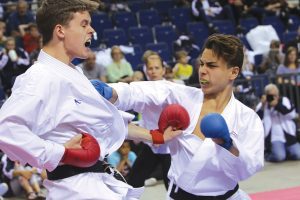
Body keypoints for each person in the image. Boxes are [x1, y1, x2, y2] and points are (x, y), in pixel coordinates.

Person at [0, 0, 182, 199]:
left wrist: (156, 136)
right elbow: (5, 129)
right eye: (84, 24)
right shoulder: (40, 77)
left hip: (95, 181)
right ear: (60, 31)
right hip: (75, 187)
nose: (92, 30)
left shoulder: (72, 73)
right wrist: (59, 153)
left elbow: (102, 124)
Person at [104, 33, 264, 199]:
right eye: (201, 64)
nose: (202, 70)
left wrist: (228, 144)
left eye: (212, 65)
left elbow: (250, 167)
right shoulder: (183, 97)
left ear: (233, 72)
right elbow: (144, 92)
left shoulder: (247, 118)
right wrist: (113, 92)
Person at [127, 52, 172, 190]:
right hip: (151, 143)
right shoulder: (141, 88)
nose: (153, 71)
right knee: (133, 181)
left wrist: (164, 135)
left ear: (163, 70)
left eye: (157, 68)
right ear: (146, 70)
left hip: (170, 146)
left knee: (171, 187)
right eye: (150, 68)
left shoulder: (172, 88)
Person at [256, 83, 300, 162]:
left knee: (298, 155)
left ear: (278, 94)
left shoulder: (284, 100)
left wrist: (277, 105)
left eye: (275, 95)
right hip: (274, 138)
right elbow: (256, 119)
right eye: (270, 96)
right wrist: (263, 105)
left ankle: (286, 152)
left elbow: (291, 114)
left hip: (289, 136)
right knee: (279, 157)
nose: (273, 97)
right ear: (266, 95)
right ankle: (268, 155)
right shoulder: (263, 104)